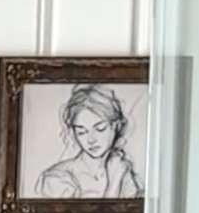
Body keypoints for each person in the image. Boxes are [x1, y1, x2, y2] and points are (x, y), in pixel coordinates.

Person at [30, 74, 142, 206]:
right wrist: (114, 182)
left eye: (100, 128)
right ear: (73, 132)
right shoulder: (57, 178)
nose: (91, 140)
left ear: (115, 126)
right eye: (81, 132)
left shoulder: (124, 171)